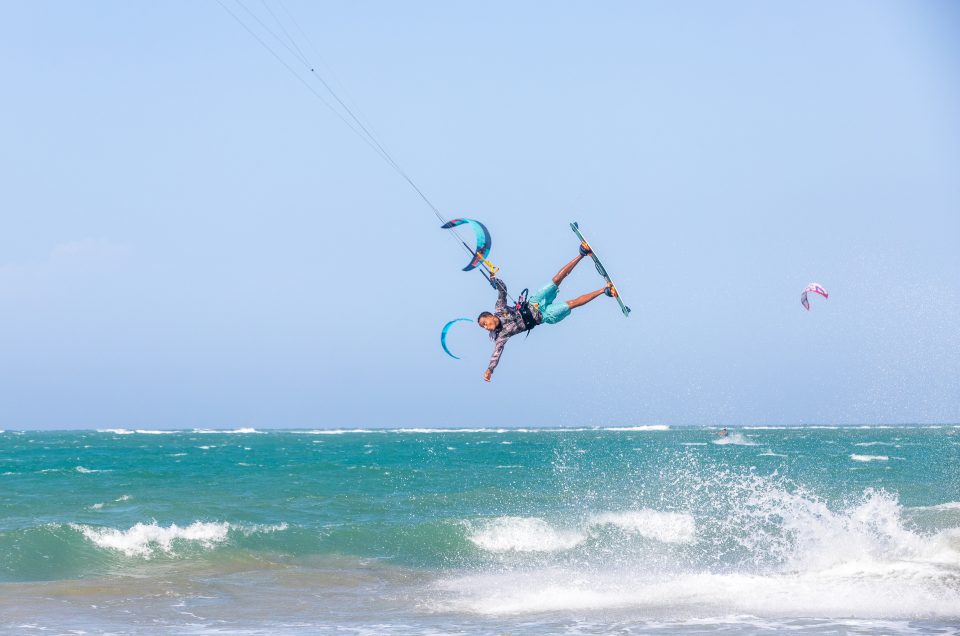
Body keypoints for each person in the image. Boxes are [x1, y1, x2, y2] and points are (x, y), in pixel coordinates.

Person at [478, 244, 616, 382]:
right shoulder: (501, 336)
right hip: (544, 316)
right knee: (571, 304)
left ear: (489, 315)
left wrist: (494, 281)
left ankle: (582, 253)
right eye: (483, 327)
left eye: (484, 323)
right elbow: (496, 354)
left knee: (556, 280)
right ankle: (605, 291)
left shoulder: (499, 308)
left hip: (535, 302)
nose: (486, 326)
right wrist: (490, 370)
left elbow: (502, 290)